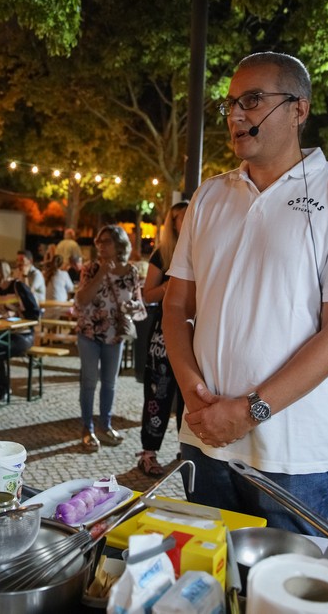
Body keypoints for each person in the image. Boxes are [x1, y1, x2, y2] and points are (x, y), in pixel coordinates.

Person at [162, 52, 328, 534]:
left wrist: (248, 412)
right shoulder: (209, 196)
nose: (236, 115)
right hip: (204, 440)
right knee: (207, 586)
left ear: (299, 109)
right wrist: (192, 395)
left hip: (291, 453)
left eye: (253, 100)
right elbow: (176, 305)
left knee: (282, 600)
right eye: (231, 104)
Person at [74, 224, 145, 453]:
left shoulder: (132, 272)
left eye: (107, 242)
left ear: (119, 244)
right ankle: (88, 428)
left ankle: (105, 425)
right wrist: (103, 273)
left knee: (110, 383)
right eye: (100, 241)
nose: (102, 246)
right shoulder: (91, 268)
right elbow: (82, 300)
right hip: (89, 332)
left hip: (115, 335)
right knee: (89, 381)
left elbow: (140, 306)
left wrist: (132, 306)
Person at [136, 200, 188, 476]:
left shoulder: (202, 249)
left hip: (196, 331)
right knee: (159, 392)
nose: (189, 218)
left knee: (190, 395)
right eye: (183, 216)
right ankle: (148, 453)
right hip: (164, 333)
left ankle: (187, 450)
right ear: (174, 222)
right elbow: (147, 295)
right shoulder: (163, 254)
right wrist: (171, 285)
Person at [0, 259, 41, 401]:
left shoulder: (18, 287)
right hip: (2, 333)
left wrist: (14, 315)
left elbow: (34, 313)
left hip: (23, 335)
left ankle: (2, 388)